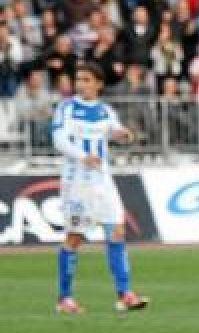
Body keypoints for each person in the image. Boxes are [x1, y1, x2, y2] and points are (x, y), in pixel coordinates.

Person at [50, 62, 150, 315]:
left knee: (116, 231)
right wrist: (82, 156)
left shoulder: (105, 110)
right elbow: (58, 139)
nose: (80, 84)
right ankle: (65, 298)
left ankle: (125, 294)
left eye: (85, 79)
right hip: (77, 183)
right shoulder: (66, 108)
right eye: (78, 79)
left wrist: (122, 133)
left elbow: (110, 131)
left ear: (98, 84)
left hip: (103, 180)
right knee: (75, 238)